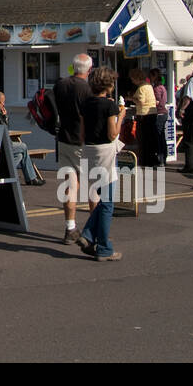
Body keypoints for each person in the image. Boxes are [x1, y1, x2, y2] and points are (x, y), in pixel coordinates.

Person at [75, 66, 123, 262]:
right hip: (105, 153)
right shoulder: (110, 106)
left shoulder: (86, 104)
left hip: (89, 150)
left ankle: (87, 235)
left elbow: (82, 133)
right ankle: (103, 248)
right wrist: (122, 116)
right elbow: (112, 134)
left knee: (102, 199)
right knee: (107, 203)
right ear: (109, 84)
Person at [52, 53, 93, 243]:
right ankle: (94, 229)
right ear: (89, 70)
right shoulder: (87, 89)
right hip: (82, 141)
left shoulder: (60, 84)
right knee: (93, 187)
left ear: (74, 67)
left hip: (64, 139)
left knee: (70, 186)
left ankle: (70, 228)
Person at [0, 90, 38, 185]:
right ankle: (31, 178)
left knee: (20, 155)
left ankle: (4, 171)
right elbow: (4, 129)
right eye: (3, 102)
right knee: (23, 146)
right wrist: (5, 116)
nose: (4, 104)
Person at [129, 68, 160, 168]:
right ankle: (151, 160)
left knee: (143, 139)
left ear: (136, 78)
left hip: (144, 115)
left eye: (132, 79)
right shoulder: (149, 86)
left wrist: (131, 98)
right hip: (152, 113)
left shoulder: (141, 88)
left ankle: (145, 160)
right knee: (151, 138)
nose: (132, 81)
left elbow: (141, 101)